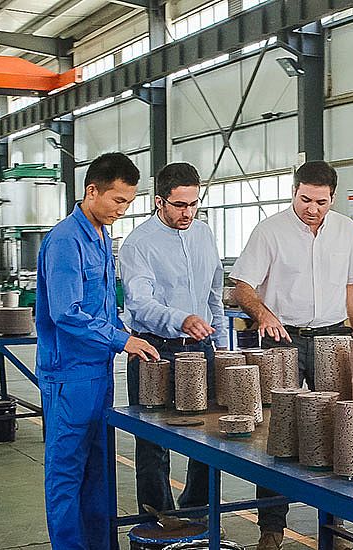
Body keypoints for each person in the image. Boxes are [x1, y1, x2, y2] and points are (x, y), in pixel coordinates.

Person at [231, 160, 353, 550]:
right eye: (305, 199)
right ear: (294, 192)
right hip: (283, 340)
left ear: (333, 198)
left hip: (333, 338)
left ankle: (335, 526)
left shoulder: (346, 230)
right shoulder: (269, 231)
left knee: (337, 428)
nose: (312, 208)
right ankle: (271, 529)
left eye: (321, 202)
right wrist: (264, 315)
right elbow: (241, 286)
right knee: (278, 432)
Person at [35, 152, 159, 550]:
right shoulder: (65, 241)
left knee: (97, 471)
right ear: (92, 191)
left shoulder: (102, 235)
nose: (123, 210)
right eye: (118, 200)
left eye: (129, 202)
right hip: (69, 377)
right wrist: (121, 340)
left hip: (98, 372)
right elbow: (66, 313)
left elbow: (101, 308)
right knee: (67, 474)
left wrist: (126, 332)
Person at [120, 162, 229, 514]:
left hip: (201, 347)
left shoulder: (204, 234)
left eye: (194, 204)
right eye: (180, 205)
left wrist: (221, 340)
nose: (188, 213)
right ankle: (159, 521)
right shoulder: (138, 244)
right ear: (159, 201)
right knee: (152, 441)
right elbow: (139, 303)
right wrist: (181, 319)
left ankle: (198, 513)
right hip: (154, 350)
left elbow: (214, 292)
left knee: (209, 436)